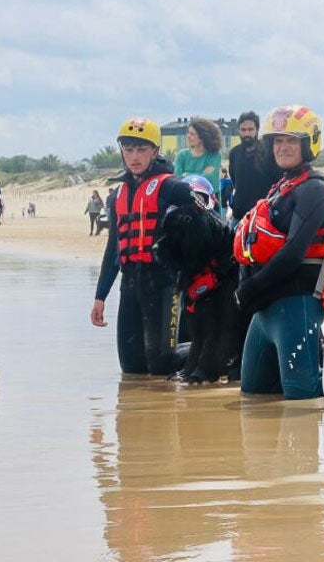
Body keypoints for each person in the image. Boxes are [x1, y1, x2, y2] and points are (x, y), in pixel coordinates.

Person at [234, 105, 324, 399]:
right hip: (266, 311)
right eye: (277, 141)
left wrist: (249, 289)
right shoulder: (280, 187)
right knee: (252, 396)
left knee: (301, 403)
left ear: (308, 144)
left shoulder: (315, 190)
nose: (282, 147)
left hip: (296, 309)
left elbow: (294, 252)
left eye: (291, 141)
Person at [90, 119, 193, 376]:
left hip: (165, 284)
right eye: (129, 149)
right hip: (131, 285)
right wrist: (100, 296)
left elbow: (202, 236)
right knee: (132, 370)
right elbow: (113, 249)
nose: (134, 157)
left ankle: (210, 346)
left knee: (161, 365)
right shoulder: (117, 197)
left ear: (155, 152)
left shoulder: (174, 188)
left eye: (141, 150)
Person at [228, 111, 279, 224]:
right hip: (239, 216)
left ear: (257, 130)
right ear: (239, 131)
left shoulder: (268, 153)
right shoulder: (234, 153)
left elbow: (277, 182)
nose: (247, 133)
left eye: (250, 130)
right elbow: (234, 180)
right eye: (243, 130)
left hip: (263, 217)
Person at [174, 118, 224, 194]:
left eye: (192, 134)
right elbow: (176, 180)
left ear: (202, 137)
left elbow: (212, 182)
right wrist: (202, 175)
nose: (188, 136)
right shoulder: (182, 155)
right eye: (188, 133)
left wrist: (186, 175)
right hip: (185, 200)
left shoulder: (214, 156)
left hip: (209, 202)